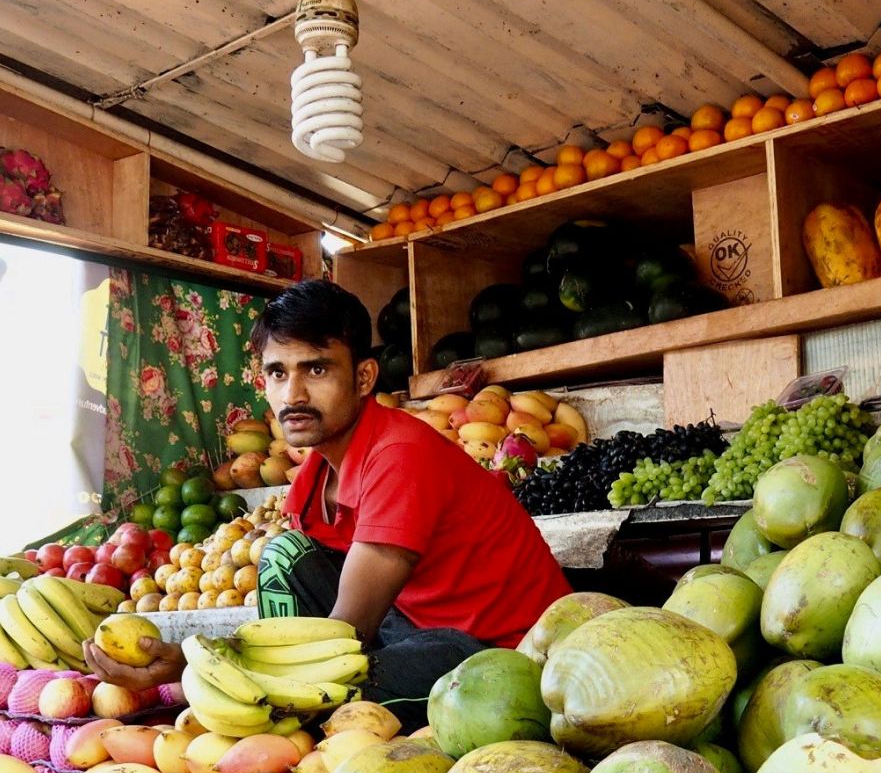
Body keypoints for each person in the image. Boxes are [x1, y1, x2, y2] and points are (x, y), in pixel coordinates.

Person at [84, 280, 572, 728]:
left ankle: (279, 711)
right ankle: (278, 703)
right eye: (277, 373)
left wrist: (197, 662)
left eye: (315, 369)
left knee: (336, 683)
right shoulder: (317, 473)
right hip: (420, 628)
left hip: (501, 661)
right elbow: (313, 623)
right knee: (285, 556)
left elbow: (345, 632)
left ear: (362, 378)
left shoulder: (399, 455)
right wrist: (214, 661)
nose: (293, 394)